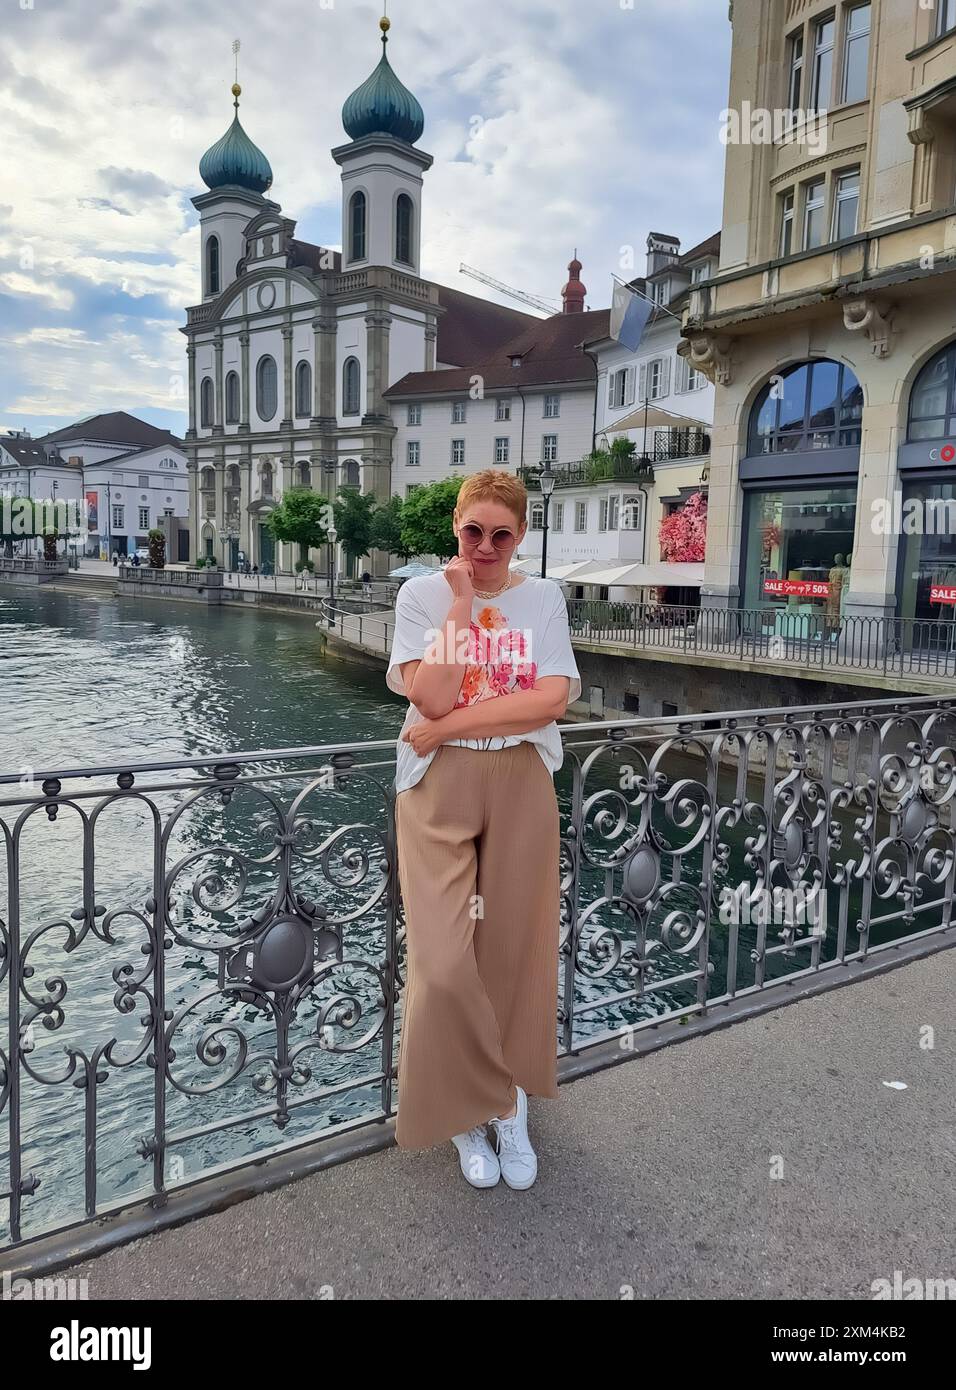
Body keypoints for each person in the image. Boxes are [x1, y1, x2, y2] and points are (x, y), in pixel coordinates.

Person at [385, 469, 581, 1191]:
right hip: (437, 789)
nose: (487, 545)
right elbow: (429, 694)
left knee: (512, 952)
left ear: (522, 534)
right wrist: (462, 607)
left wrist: (451, 728)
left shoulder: (544, 599)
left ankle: (508, 1105)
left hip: (521, 782)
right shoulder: (422, 596)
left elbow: (549, 702)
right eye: (474, 531)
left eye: (502, 534)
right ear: (456, 529)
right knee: (441, 962)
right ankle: (476, 1105)